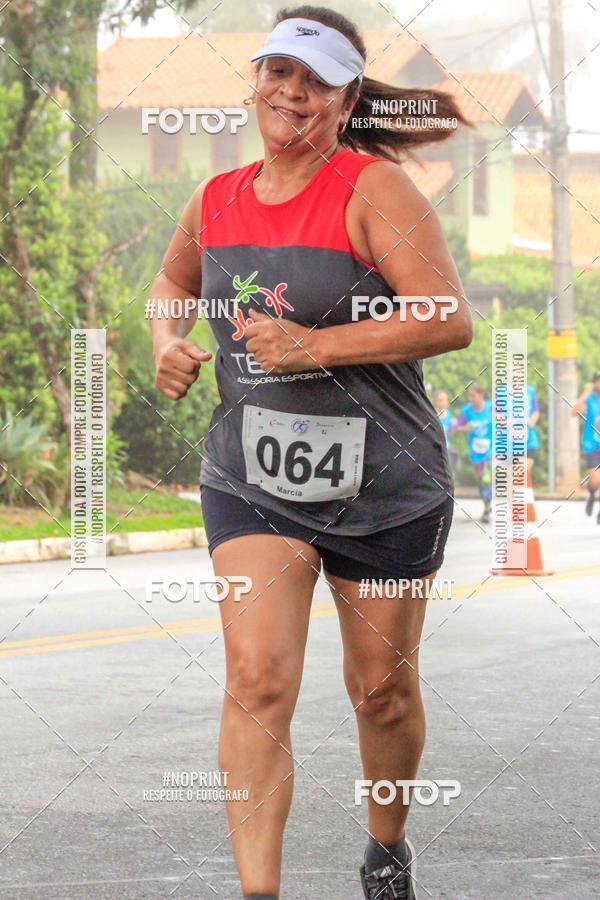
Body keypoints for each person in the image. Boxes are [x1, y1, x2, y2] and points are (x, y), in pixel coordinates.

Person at [149, 6, 471, 898]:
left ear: (347, 100)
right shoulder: (215, 198)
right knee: (256, 678)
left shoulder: (374, 191)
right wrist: (166, 343)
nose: (291, 93)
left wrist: (316, 346)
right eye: (278, 72)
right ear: (256, 81)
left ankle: (386, 849)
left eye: (316, 81)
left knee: (381, 693)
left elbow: (448, 317)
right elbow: (172, 281)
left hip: (386, 483)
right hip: (252, 476)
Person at [452, 384, 493, 524]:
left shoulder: (491, 407)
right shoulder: (466, 411)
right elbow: (455, 428)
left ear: (481, 395)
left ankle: (487, 509)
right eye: (469, 396)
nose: (470, 398)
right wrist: (464, 428)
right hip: (476, 452)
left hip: (491, 450)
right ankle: (487, 504)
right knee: (480, 480)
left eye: (473, 396)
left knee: (486, 478)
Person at [571, 371, 600, 522]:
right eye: (598, 380)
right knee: (595, 479)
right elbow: (573, 412)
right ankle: (592, 493)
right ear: (594, 383)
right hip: (591, 443)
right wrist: (585, 393)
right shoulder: (589, 399)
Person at [433, 389, 459, 475]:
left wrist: (454, 426)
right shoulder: (432, 414)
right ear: (435, 401)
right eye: (441, 400)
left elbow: (451, 433)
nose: (443, 402)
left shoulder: (449, 415)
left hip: (446, 447)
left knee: (448, 471)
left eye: (445, 400)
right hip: (434, 447)